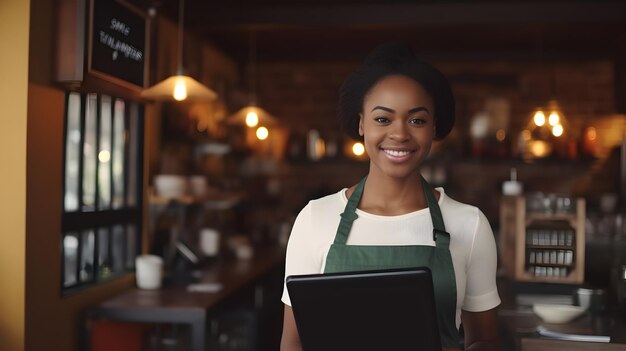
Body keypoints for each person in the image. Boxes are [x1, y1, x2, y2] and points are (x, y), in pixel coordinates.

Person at [280, 43, 501, 351]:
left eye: (417, 120)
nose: (399, 134)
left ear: (434, 126)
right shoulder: (315, 219)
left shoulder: (469, 224)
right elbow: (293, 344)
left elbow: (486, 341)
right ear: (361, 124)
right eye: (383, 119)